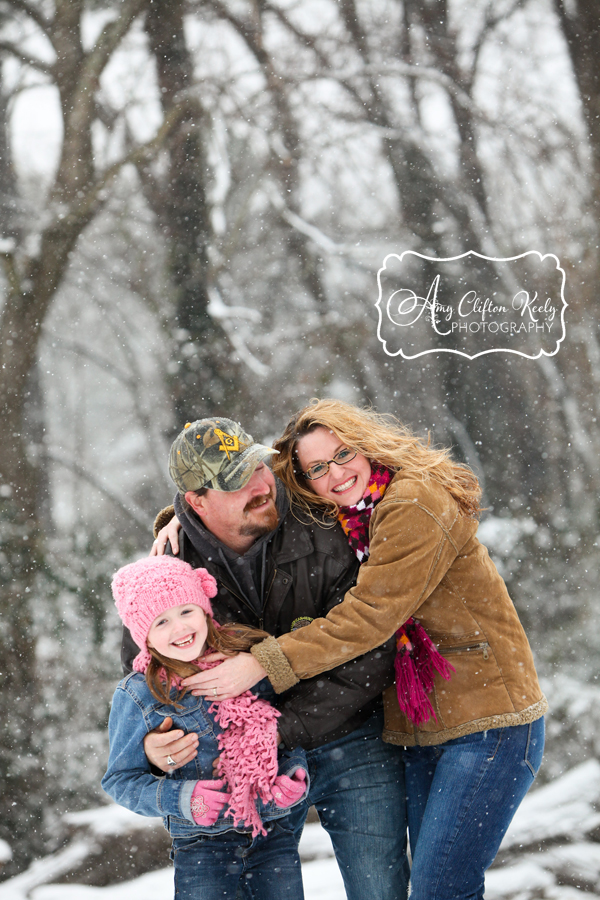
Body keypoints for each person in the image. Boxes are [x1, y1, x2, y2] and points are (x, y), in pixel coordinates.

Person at [233, 398, 546, 900]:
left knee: (441, 888)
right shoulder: (352, 518)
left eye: (342, 454)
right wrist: (180, 518)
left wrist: (263, 662)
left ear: (366, 444)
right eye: (316, 468)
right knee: (436, 890)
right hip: (426, 728)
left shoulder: (410, 503)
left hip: (489, 723)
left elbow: (370, 616)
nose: (334, 474)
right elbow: (253, 492)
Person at [129, 417, 409, 900]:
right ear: (196, 502)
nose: (262, 485)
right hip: (245, 764)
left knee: (381, 888)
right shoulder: (170, 568)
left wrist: (281, 728)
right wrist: (153, 745)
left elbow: (370, 648)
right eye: (236, 481)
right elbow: (145, 668)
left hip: (349, 735)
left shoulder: (321, 523)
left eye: (257, 466)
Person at [103, 554, 309, 900]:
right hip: (202, 847)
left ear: (205, 610)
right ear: (145, 637)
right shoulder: (139, 694)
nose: (181, 629)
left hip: (272, 834)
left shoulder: (244, 662)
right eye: (161, 622)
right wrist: (184, 798)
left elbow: (281, 733)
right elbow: (121, 781)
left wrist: (293, 774)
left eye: (187, 611)